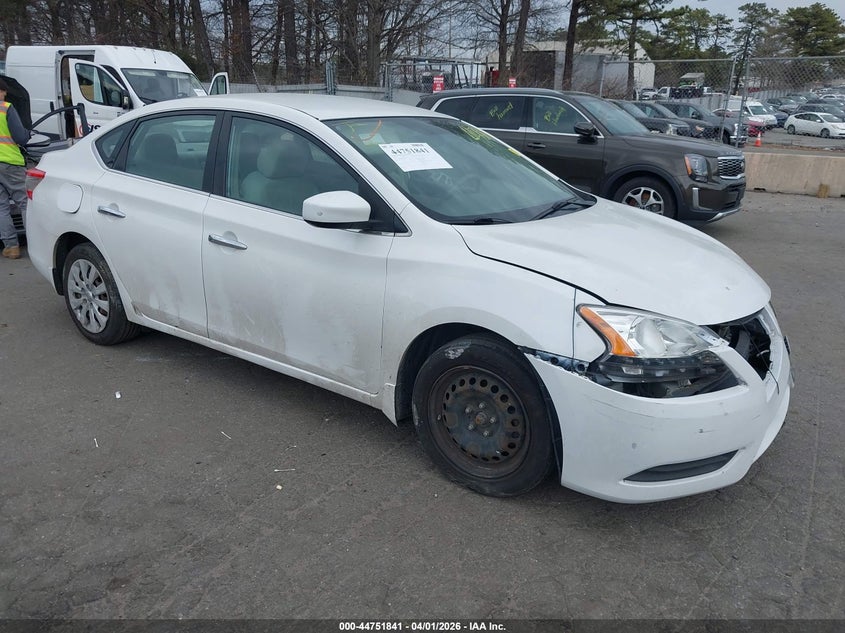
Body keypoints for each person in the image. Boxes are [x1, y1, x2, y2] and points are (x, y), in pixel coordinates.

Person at [0, 77, 30, 260]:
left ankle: (11, 247)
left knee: (1, 207)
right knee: (24, 202)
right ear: (2, 91)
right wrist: (27, 133)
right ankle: (34, 242)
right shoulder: (6, 108)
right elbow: (21, 137)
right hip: (10, 162)